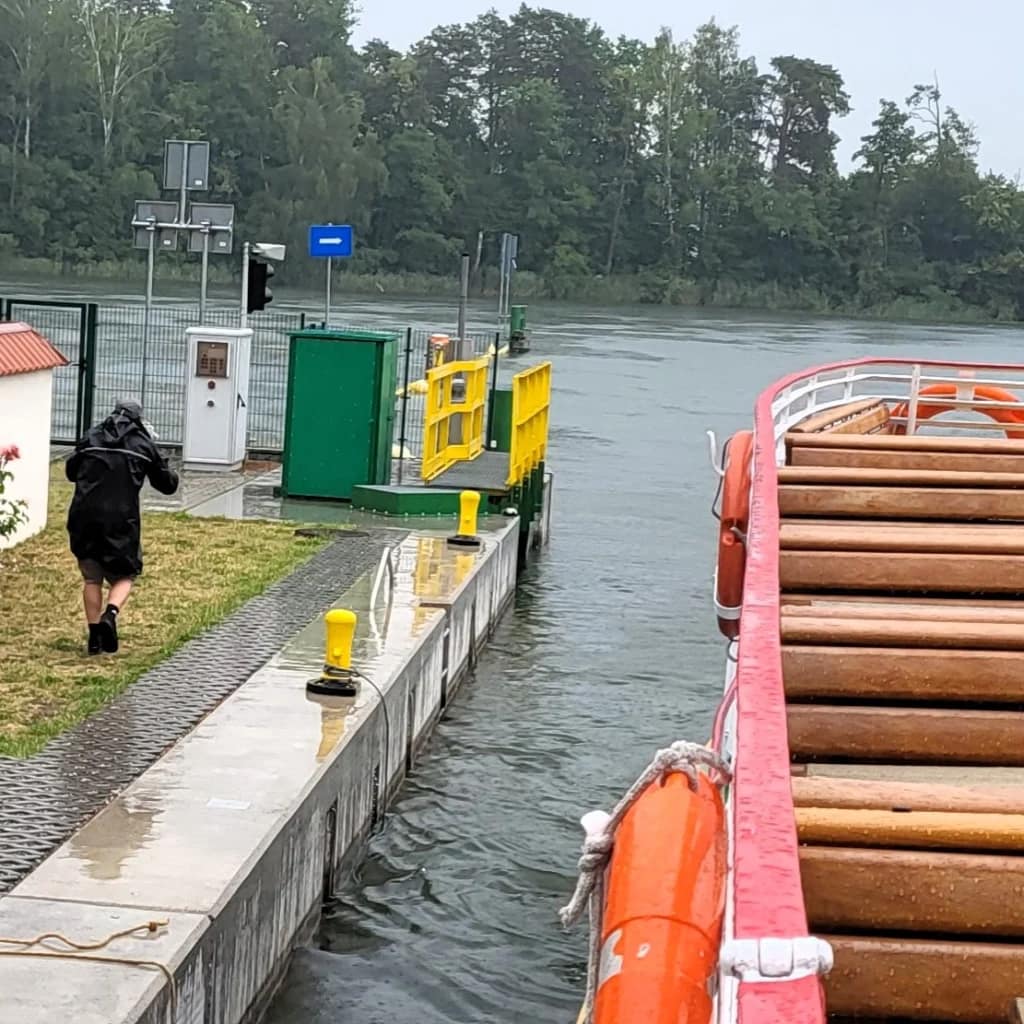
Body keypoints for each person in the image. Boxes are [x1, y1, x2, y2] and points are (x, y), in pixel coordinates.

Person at [65, 400, 179, 655]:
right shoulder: (142, 443)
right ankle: (110, 614)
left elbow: (71, 472)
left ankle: (95, 639)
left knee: (92, 577)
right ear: (139, 418)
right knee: (126, 575)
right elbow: (167, 485)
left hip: (84, 516)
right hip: (121, 520)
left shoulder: (92, 435)